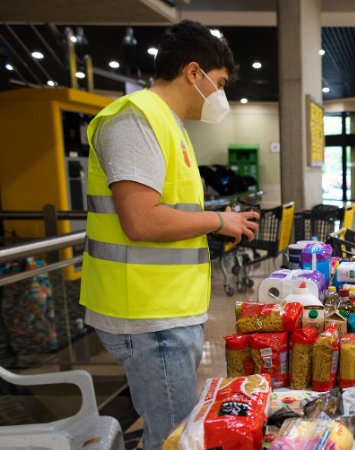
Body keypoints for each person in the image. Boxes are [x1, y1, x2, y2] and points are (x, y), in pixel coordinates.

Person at [79, 20, 259, 450]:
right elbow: (142, 221)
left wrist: (214, 220)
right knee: (173, 440)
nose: (221, 96)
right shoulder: (135, 120)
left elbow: (170, 212)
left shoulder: (169, 124)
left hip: (166, 309)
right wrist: (219, 222)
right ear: (193, 73)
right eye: (218, 83)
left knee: (176, 432)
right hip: (146, 314)